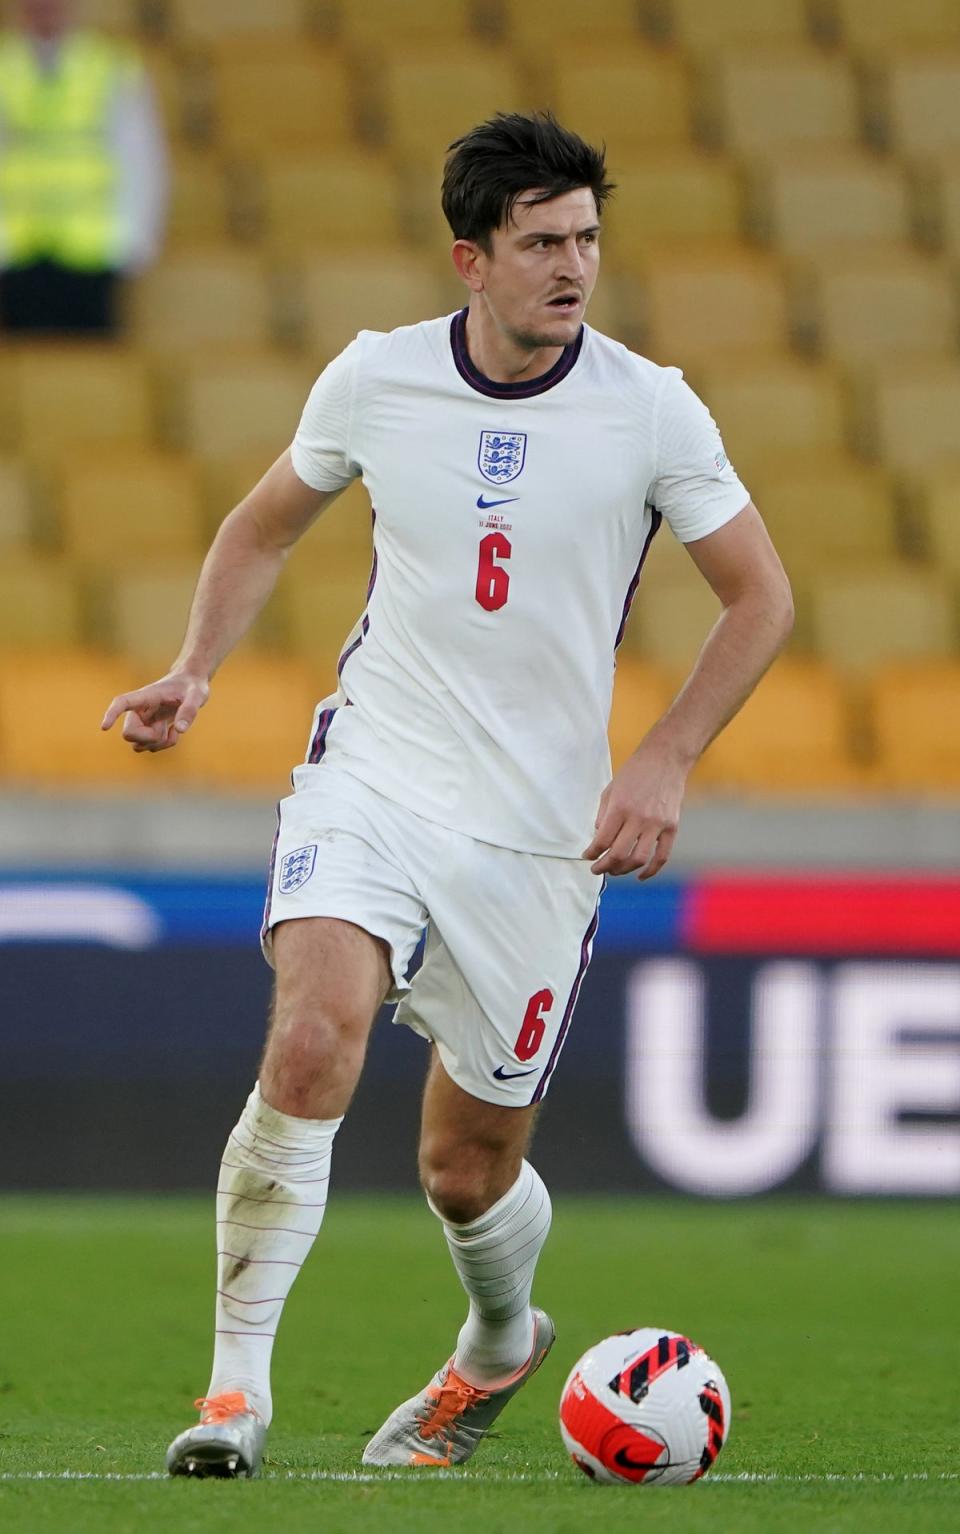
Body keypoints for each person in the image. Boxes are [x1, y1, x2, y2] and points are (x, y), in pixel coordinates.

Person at [101, 112, 793, 1479]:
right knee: (311, 1037)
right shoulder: (377, 379)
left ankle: (497, 1339)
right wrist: (194, 667)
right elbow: (261, 525)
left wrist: (664, 754)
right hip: (377, 772)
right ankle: (234, 1394)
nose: (574, 267)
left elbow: (760, 594)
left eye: (588, 238)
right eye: (543, 242)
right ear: (470, 258)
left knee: (464, 1172)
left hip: (542, 834)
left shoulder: (652, 405)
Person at [0, 0, 167, 334]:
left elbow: (141, 158)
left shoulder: (111, 66)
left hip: (91, 250)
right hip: (16, 248)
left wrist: (136, 239)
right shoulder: (5, 65)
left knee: (90, 372)